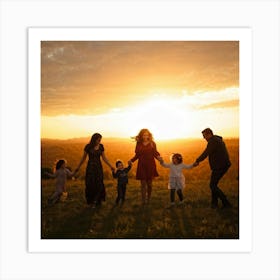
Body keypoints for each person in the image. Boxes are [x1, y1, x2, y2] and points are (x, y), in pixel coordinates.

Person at [194, 128, 232, 209]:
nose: (204, 138)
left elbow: (206, 152)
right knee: (213, 184)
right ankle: (214, 204)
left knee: (212, 185)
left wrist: (197, 160)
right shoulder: (216, 139)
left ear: (209, 134)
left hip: (220, 166)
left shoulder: (213, 141)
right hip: (221, 165)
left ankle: (226, 202)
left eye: (204, 136)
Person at [74, 133, 114, 208]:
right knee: (90, 184)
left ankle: (97, 201)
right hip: (90, 168)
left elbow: (104, 158)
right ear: (94, 139)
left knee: (99, 183)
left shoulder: (101, 147)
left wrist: (111, 166)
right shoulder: (88, 147)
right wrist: (78, 167)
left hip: (98, 167)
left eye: (100, 140)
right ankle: (91, 201)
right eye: (98, 140)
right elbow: (83, 158)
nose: (99, 141)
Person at [128, 128, 161, 205]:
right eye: (144, 135)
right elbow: (137, 155)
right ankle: (143, 201)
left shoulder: (152, 143)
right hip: (141, 165)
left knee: (149, 184)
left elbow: (155, 153)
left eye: (147, 134)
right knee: (143, 184)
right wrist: (131, 160)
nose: (145, 136)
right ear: (141, 136)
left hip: (150, 165)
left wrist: (159, 158)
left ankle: (148, 199)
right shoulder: (139, 143)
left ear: (149, 135)